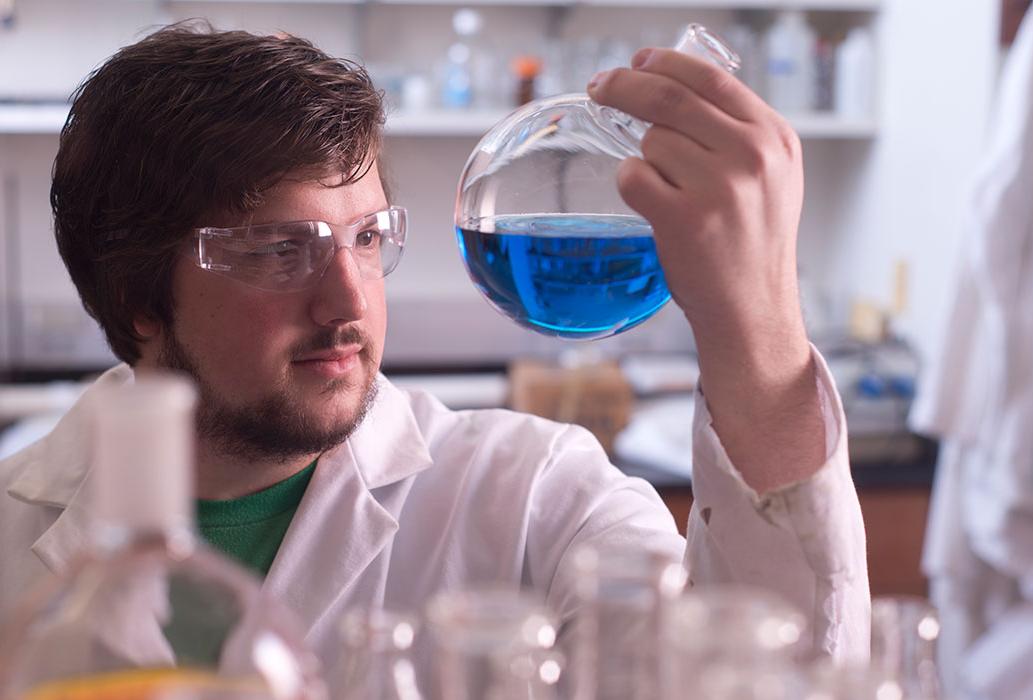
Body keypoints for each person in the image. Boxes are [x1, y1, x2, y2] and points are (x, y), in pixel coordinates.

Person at [0, 22, 869, 684]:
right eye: (277, 248)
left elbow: (779, 674)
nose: (349, 302)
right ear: (137, 302)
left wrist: (757, 334)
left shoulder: (532, 498)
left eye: (368, 237)